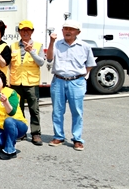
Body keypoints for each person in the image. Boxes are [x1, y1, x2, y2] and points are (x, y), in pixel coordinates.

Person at [46, 20, 96, 151]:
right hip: (58, 80)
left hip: (76, 82)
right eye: (65, 29)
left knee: (77, 111)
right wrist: (51, 42)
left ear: (78, 32)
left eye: (71, 29)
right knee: (57, 111)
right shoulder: (57, 44)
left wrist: (83, 77)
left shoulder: (85, 46)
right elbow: (49, 58)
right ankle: (58, 136)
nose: (68, 31)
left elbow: (90, 64)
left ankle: (77, 139)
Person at [10, 20, 45, 146]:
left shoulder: (38, 45)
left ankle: (36, 133)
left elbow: (41, 62)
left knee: (34, 109)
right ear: (19, 32)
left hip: (31, 82)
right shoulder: (13, 46)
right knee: (18, 109)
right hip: (16, 82)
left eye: (28, 30)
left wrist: (32, 51)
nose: (25, 32)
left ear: (32, 31)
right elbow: (10, 65)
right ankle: (21, 132)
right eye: (23, 30)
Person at [0, 69, 28, 160]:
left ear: (2, 80)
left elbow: (11, 112)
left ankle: (10, 150)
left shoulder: (11, 92)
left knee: (9, 121)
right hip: (0, 128)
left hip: (17, 126)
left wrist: (5, 102)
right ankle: (8, 141)